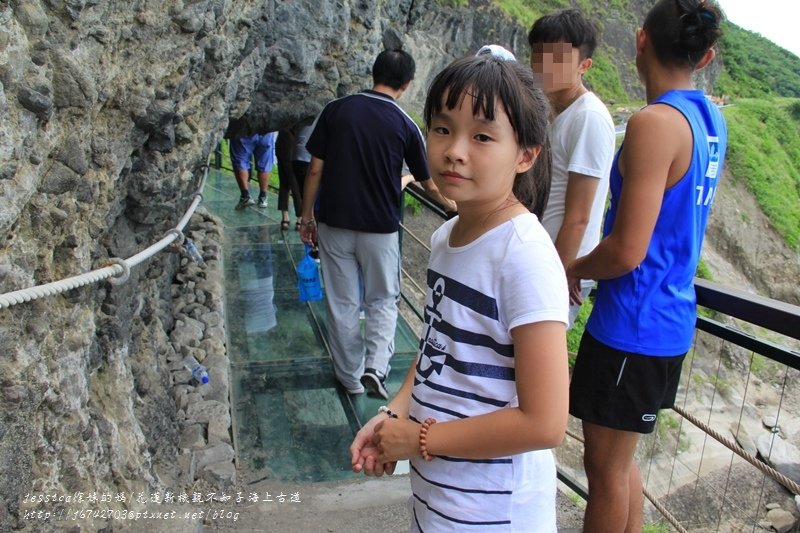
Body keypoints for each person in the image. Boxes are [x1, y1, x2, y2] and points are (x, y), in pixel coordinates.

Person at [349, 53, 569, 532]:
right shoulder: (448, 237)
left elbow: (546, 422)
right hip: (439, 501)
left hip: (494, 515)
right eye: (443, 129)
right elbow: (436, 344)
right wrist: (393, 414)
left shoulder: (525, 256)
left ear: (525, 154)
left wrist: (418, 440)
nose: (455, 151)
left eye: (483, 136)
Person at [565, 1, 727, 531]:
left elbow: (626, 250)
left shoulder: (654, 124)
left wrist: (573, 266)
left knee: (605, 472)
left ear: (639, 41)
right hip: (669, 320)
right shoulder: (708, 121)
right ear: (704, 58)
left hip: (631, 325)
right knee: (617, 464)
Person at [299, 48, 455, 400]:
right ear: (408, 83)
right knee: (382, 299)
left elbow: (315, 170)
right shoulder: (404, 123)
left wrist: (306, 216)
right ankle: (376, 368)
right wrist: (455, 206)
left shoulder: (336, 110)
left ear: (374, 73)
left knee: (342, 303)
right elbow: (428, 181)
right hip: (380, 230)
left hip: (333, 225)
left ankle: (350, 377)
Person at [529, 8, 616, 327]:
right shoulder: (558, 114)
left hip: (559, 269)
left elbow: (579, 215)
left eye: (558, 57)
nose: (544, 65)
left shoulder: (588, 117)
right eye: (539, 54)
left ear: (584, 65)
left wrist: (560, 274)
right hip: (543, 260)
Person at [230, 131, 276, 209]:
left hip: (244, 130)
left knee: (240, 161)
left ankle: (245, 196)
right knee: (264, 164)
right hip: (266, 129)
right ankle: (263, 197)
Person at [275, 129, 303, 231]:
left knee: (284, 183)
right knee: (296, 183)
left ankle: (285, 218)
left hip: (281, 143)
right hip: (293, 145)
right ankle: (300, 218)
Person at [291, 120, 315, 230]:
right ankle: (309, 223)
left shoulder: (303, 117)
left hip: (297, 157)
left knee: (304, 194)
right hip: (309, 159)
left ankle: (304, 219)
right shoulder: (325, 114)